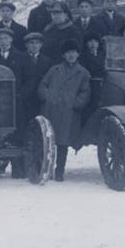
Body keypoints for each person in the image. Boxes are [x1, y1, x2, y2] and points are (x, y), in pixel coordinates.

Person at [38, 40, 91, 182]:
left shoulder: (83, 73)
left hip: (69, 113)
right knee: (48, 141)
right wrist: (48, 98)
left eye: (74, 52)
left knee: (63, 142)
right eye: (68, 53)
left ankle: (59, 170)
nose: (71, 55)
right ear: (63, 55)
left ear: (78, 54)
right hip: (51, 110)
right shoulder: (54, 70)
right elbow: (43, 85)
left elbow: (85, 93)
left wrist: (75, 104)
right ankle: (47, 169)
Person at [0, 28, 36, 178]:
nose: (3, 41)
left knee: (17, 134)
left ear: (11, 40)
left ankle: (18, 168)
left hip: (17, 102)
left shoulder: (22, 57)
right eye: (0, 39)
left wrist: (21, 95)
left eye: (6, 38)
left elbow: (30, 79)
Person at [25, 32, 54, 120]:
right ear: (26, 45)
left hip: (40, 99)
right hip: (25, 98)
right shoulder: (21, 58)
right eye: (31, 43)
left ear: (41, 45)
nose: (34, 46)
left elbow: (50, 81)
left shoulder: (47, 61)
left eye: (37, 43)